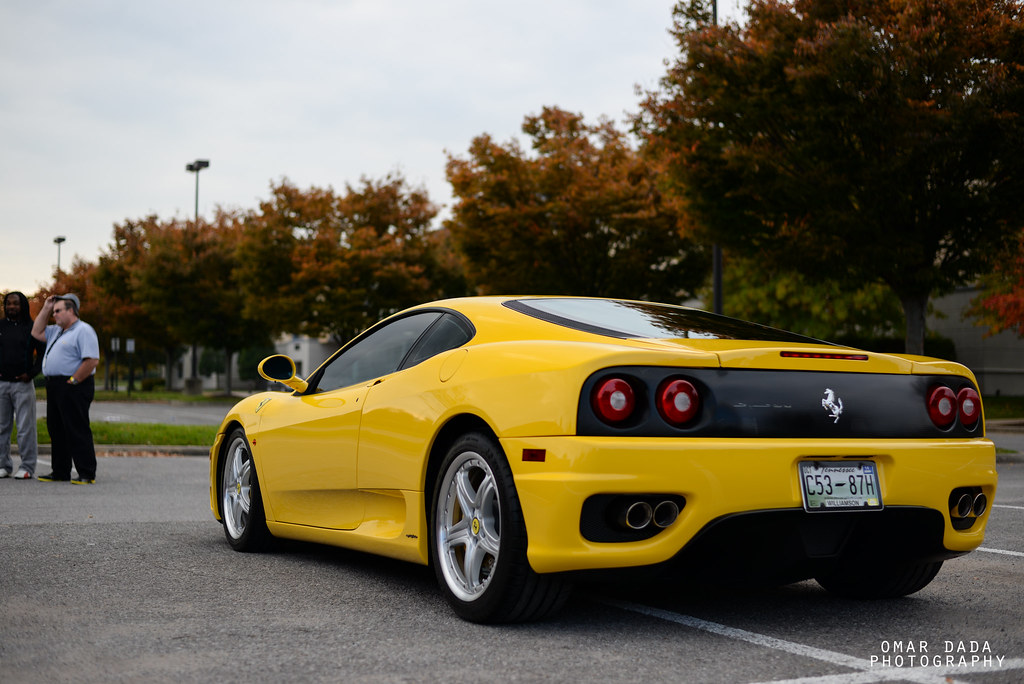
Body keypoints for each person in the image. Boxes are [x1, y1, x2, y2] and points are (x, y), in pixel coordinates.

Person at [31, 293, 100, 484]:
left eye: (58, 311)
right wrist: (46, 307)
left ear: (71, 311)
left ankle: (86, 473)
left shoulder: (83, 330)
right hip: (55, 385)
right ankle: (60, 471)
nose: (54, 315)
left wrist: (74, 381)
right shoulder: (56, 331)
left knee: (76, 428)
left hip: (74, 384)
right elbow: (36, 332)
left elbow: (92, 360)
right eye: (53, 312)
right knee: (56, 428)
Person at [0, 291, 45, 479]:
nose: (11, 307)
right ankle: (3, 465)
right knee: (1, 427)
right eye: (8, 303)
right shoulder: (1, 326)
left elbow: (42, 355)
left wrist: (31, 374)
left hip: (23, 385)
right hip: (2, 385)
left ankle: (27, 466)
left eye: (15, 303)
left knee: (25, 428)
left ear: (23, 306)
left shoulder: (32, 328)